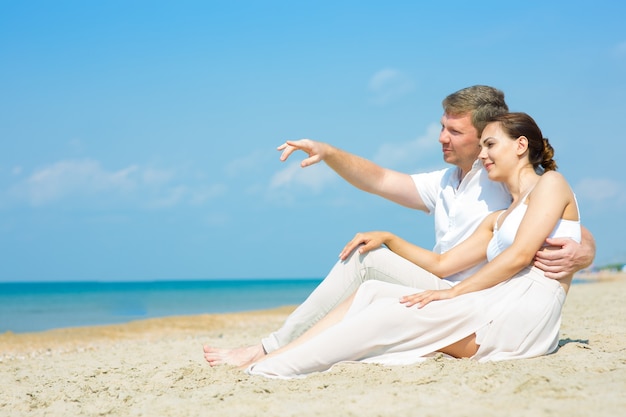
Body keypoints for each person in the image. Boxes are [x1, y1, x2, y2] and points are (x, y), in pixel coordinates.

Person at [203, 86, 595, 367]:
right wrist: (330, 153)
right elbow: (378, 179)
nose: (442, 137)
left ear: (488, 135)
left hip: (480, 299)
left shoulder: (504, 176)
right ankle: (280, 355)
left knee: (365, 267)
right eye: (442, 127)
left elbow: (556, 220)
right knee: (370, 270)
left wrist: (586, 250)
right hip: (450, 288)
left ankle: (269, 352)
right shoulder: (446, 182)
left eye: (455, 131)